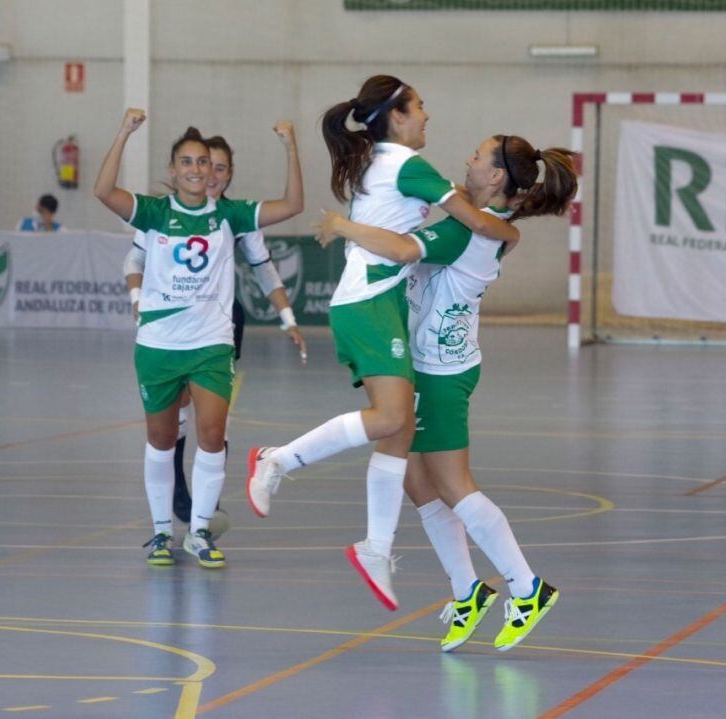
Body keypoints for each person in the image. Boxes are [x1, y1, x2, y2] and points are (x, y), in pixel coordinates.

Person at [246, 75, 519, 611]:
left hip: (381, 302)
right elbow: (474, 220)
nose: (427, 115)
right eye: (419, 106)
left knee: (399, 427)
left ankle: (376, 547)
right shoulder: (408, 165)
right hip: (368, 300)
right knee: (392, 417)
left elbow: (464, 200)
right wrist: (511, 231)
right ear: (397, 116)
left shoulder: (386, 163)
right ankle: (278, 460)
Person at [317, 134, 576, 651]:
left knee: (455, 485)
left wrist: (341, 225)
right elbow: (459, 202)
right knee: (417, 482)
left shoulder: (465, 232)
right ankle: (467, 591)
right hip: (433, 362)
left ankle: (527, 587)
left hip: (441, 370)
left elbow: (399, 249)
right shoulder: (482, 222)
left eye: (477, 157)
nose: (467, 160)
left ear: (497, 176)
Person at [95, 108, 303, 568]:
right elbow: (104, 192)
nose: (195, 169)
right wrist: (124, 131)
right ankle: (160, 533)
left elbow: (292, 205)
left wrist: (290, 147)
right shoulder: (154, 213)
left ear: (214, 172)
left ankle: (200, 531)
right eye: (186, 162)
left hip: (210, 344)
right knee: (162, 439)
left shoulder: (230, 215)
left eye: (202, 162)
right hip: (158, 344)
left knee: (212, 436)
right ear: (173, 171)